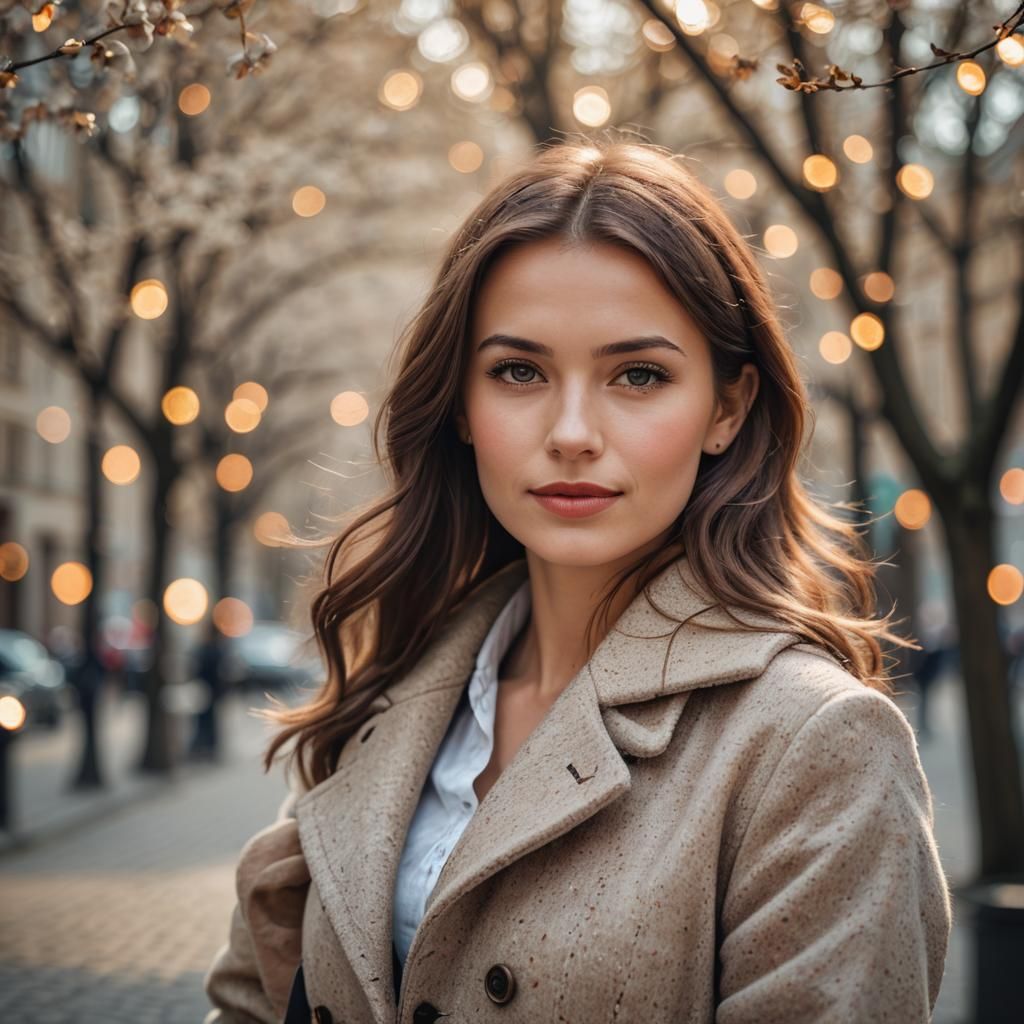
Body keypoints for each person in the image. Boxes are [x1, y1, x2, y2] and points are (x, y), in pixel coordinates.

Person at [203, 139, 952, 1024]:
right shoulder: (394, 691)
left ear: (727, 407)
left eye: (638, 375)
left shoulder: (813, 743)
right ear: (459, 407)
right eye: (518, 371)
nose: (570, 432)